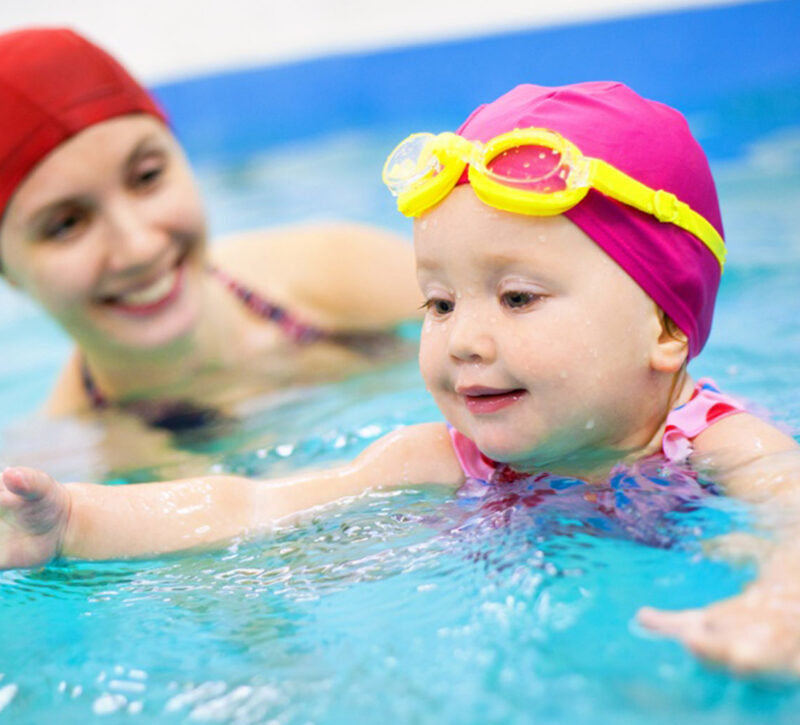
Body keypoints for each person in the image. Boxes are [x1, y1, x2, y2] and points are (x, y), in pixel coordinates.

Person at [2, 81, 799, 675]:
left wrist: (778, 606)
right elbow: (253, 505)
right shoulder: (445, 457)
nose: (461, 340)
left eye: (518, 297)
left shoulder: (717, 445)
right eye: (440, 302)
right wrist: (73, 522)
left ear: (663, 326)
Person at [0, 27, 422, 428]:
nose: (140, 247)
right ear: (7, 271)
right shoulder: (64, 471)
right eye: (66, 224)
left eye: (147, 177)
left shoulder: (344, 272)